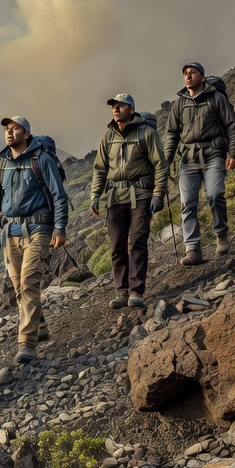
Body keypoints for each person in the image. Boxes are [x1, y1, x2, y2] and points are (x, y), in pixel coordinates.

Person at [0, 117, 69, 366]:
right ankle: (38, 325)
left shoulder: (41, 159)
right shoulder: (1, 163)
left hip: (39, 228)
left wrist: (60, 228)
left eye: (15, 128)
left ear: (27, 133)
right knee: (19, 286)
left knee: (29, 283)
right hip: (10, 231)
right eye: (7, 129)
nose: (9, 132)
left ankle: (26, 344)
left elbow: (58, 195)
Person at [89, 94, 168, 308]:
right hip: (115, 198)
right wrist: (95, 196)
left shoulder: (147, 133)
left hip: (140, 195)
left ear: (131, 109)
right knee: (117, 246)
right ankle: (121, 291)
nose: (115, 109)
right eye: (113, 106)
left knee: (138, 241)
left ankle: (136, 291)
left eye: (120, 106)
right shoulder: (108, 137)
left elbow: (161, 164)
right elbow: (99, 169)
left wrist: (158, 193)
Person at [161, 61, 235, 266]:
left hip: (214, 154)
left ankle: (221, 235)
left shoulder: (216, 98)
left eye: (193, 73)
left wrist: (233, 152)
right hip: (188, 159)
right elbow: (171, 133)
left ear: (202, 77)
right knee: (187, 203)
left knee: (215, 194)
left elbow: (231, 125)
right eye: (185, 73)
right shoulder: (179, 104)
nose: (188, 76)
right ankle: (192, 249)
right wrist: (167, 160)